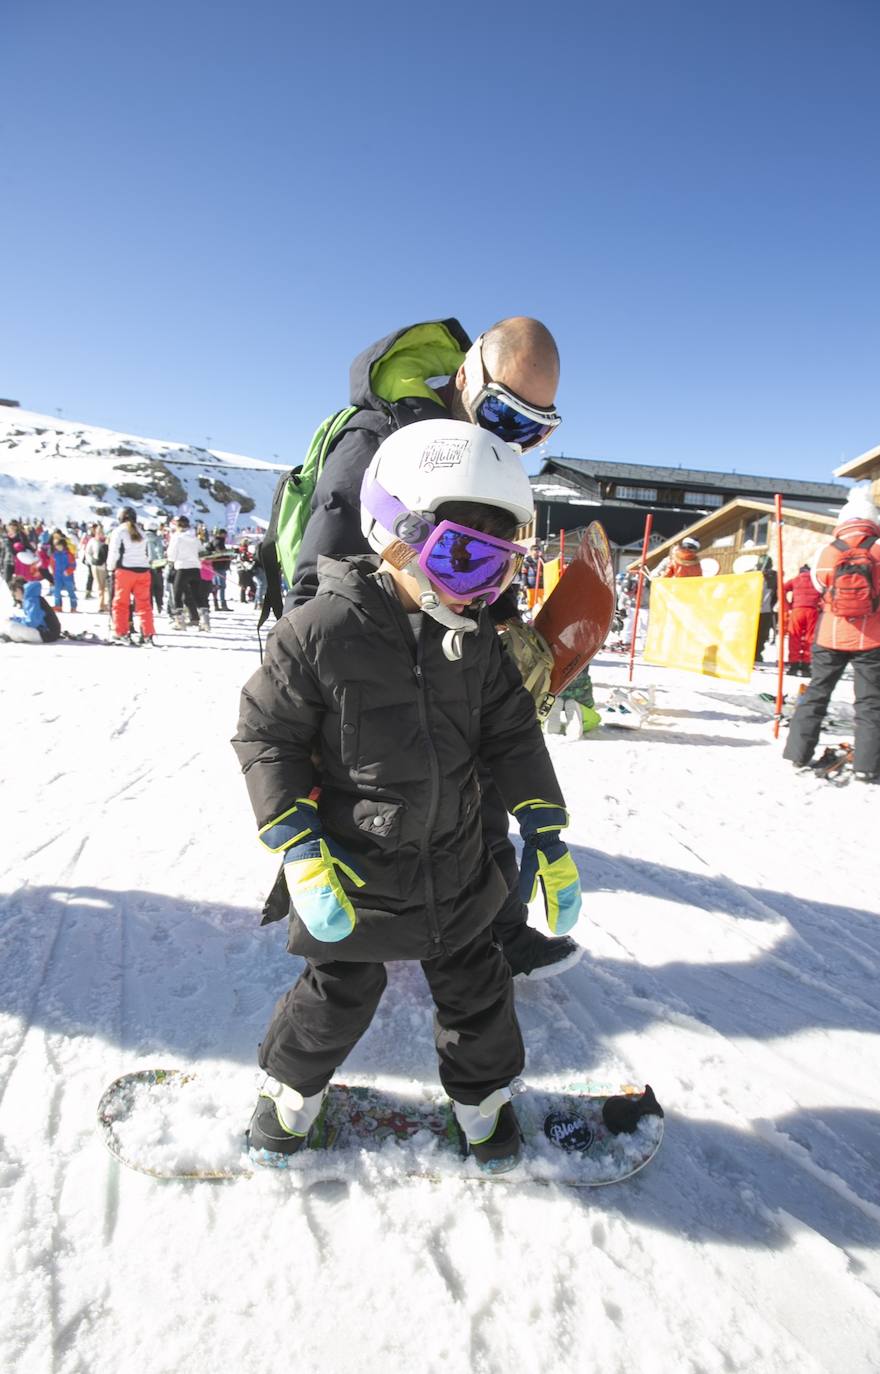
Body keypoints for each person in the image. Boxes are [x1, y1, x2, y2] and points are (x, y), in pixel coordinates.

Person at [232, 420, 582, 1171]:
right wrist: (298, 847)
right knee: (336, 995)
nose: (482, 590)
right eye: (463, 558)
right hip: (354, 871)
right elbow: (267, 738)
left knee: (481, 995)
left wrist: (545, 830)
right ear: (394, 533)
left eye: (501, 569)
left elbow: (512, 737)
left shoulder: (478, 641)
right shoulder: (317, 632)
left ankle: (482, 1105)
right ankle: (290, 1100)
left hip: (455, 868)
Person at [281, 316, 575, 981]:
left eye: (534, 429)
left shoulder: (481, 455)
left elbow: (480, 558)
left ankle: (494, 935)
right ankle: (339, 962)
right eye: (503, 413)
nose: (511, 438)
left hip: (451, 657)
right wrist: (312, 700)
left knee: (480, 792)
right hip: (371, 665)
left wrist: (507, 631)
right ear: (467, 375)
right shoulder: (378, 437)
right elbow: (316, 573)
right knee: (377, 812)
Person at [783, 488, 880, 782]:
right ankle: (868, 766)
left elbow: (817, 584)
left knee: (816, 693)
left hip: (830, 633)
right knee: (869, 700)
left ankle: (797, 753)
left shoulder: (827, 549)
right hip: (874, 634)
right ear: (872, 520)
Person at [107, 506, 156, 645]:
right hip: (143, 571)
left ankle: (121, 632)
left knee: (121, 603)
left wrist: (110, 568)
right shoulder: (141, 532)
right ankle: (147, 633)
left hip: (125, 571)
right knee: (144, 605)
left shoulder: (119, 531)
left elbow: (114, 552)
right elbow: (148, 553)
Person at [167, 515, 209, 631]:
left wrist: (170, 560)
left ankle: (180, 622)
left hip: (182, 568)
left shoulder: (177, 537)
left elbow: (171, 555)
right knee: (197, 595)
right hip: (195, 568)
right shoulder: (194, 537)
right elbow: (202, 551)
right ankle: (205, 622)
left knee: (177, 594)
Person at [783, 563, 821, 676]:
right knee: (810, 638)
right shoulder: (816, 580)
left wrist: (787, 605)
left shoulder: (795, 580)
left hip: (797, 610)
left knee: (794, 636)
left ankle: (793, 665)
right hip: (812, 611)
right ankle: (806, 666)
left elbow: (782, 589)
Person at [2, 575, 61, 644]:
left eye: (13, 592)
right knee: (8, 622)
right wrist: (16, 620)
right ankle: (10, 635)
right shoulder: (31, 598)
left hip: (47, 634)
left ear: (18, 589)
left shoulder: (32, 599)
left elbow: (32, 622)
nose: (13, 595)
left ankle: (11, 636)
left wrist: (17, 622)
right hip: (46, 632)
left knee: (12, 626)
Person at [49, 529, 78, 612]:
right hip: (58, 576)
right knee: (57, 592)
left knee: (71, 592)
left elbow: (73, 565)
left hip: (67, 577)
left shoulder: (69, 555)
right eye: (57, 546)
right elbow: (52, 564)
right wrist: (53, 572)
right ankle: (58, 606)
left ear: (64, 546)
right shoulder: (54, 554)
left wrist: (68, 571)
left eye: (60, 546)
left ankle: (73, 606)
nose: (58, 547)